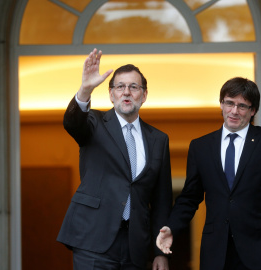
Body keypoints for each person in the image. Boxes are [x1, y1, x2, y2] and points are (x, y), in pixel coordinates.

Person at [156, 77, 261, 270]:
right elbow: (189, 198)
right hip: (216, 253)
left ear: (253, 110)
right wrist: (172, 227)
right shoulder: (200, 147)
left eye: (242, 106)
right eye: (229, 103)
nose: (234, 111)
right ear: (221, 104)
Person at [57, 48, 172, 270]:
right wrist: (85, 90)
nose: (126, 92)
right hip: (93, 239)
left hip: (136, 245)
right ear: (111, 94)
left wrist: (160, 252)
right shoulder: (94, 122)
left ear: (144, 95)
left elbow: (161, 201)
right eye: (120, 87)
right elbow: (72, 123)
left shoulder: (159, 139)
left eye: (134, 87)